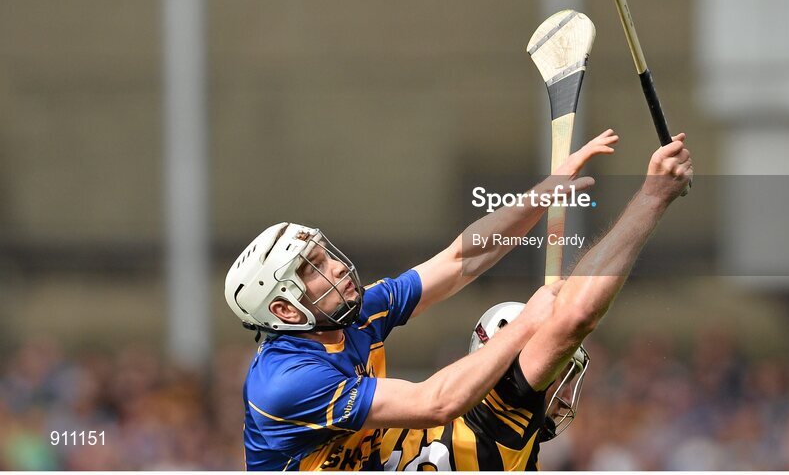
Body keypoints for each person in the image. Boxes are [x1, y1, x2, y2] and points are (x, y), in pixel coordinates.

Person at [224, 131, 618, 470]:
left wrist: (543, 194)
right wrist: (527, 325)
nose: (337, 267)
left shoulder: (355, 313)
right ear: (285, 310)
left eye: (324, 253)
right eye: (313, 267)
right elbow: (436, 403)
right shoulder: (287, 382)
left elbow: (461, 259)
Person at [378, 131, 693, 470]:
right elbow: (577, 316)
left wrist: (545, 192)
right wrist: (653, 198)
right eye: (558, 370)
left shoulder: (385, 419)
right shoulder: (503, 413)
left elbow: (459, 258)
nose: (567, 396)